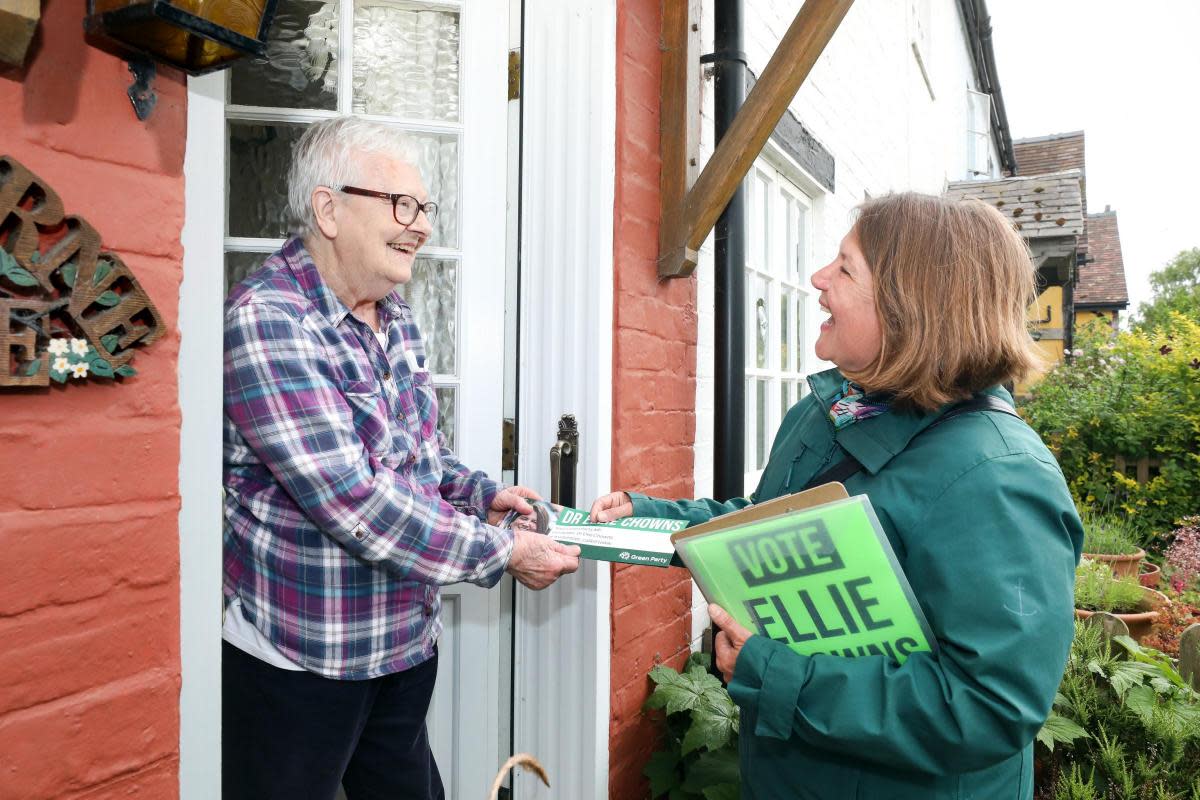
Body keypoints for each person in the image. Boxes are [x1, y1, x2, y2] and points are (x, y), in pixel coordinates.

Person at [591, 192, 1083, 799]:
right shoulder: (829, 412)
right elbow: (767, 525)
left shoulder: (999, 477)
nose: (819, 279)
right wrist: (649, 520)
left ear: (915, 306)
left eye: (846, 268)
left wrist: (773, 675)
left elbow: (988, 706)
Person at [222, 116, 581, 800]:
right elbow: (352, 498)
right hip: (303, 662)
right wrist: (501, 551)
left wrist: (481, 494)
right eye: (402, 205)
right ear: (328, 209)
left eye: (424, 208)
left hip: (401, 646)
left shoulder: (394, 311)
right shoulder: (268, 321)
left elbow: (416, 454)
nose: (419, 225)